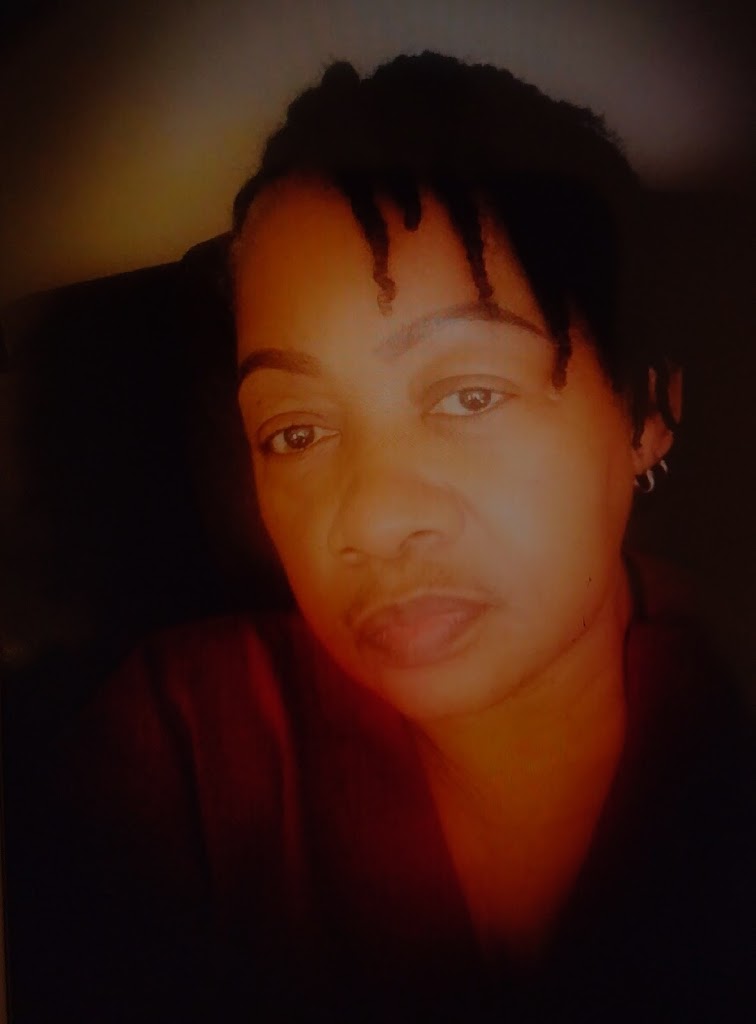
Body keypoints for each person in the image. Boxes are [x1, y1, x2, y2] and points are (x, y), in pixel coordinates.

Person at [35, 52, 754, 1023]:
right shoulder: (182, 751)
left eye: (470, 395)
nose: (371, 520)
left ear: (647, 411)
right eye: (296, 432)